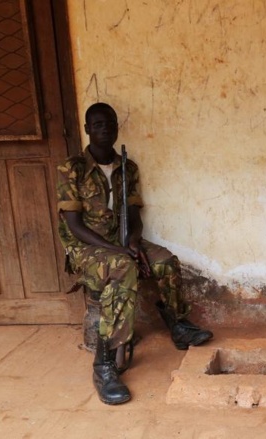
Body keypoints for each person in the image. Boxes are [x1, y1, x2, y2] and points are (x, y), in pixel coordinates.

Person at [56, 102, 214, 405]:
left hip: (121, 243)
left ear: (117, 127)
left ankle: (178, 325)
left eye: (110, 123)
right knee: (122, 266)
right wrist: (119, 251)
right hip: (87, 248)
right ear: (88, 129)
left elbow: (133, 212)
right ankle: (104, 366)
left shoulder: (127, 167)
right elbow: (74, 226)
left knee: (165, 261)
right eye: (98, 124)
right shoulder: (71, 168)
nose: (105, 129)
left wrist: (133, 241)